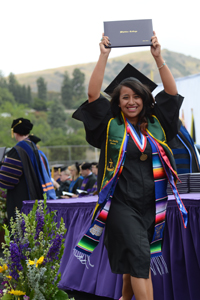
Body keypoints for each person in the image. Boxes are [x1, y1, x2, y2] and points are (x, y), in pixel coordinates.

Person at [72, 32, 187, 300]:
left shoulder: (156, 126)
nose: (131, 101)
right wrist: (104, 55)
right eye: (125, 97)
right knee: (139, 257)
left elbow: (171, 94)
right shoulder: (112, 126)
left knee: (137, 262)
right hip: (121, 204)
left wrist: (158, 58)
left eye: (137, 96)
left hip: (151, 204)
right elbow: (92, 95)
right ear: (118, 101)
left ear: (145, 99)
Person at [0, 118, 56, 226]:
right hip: (34, 195)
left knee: (20, 232)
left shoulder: (17, 150)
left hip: (20, 198)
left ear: (15, 132)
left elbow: (6, 179)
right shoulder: (32, 147)